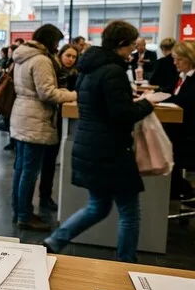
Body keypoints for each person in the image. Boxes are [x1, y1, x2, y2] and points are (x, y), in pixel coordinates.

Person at [43, 21, 154, 263]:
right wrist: (147, 104)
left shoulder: (89, 68)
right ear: (121, 44)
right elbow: (122, 114)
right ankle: (126, 263)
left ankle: (55, 241)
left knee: (98, 206)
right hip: (111, 150)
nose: (133, 52)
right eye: (132, 46)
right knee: (129, 212)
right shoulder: (113, 71)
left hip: (90, 145)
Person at [10, 25, 77, 231]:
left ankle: (19, 210)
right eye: (57, 41)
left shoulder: (23, 56)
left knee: (21, 169)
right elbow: (47, 93)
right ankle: (25, 215)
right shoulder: (41, 60)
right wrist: (74, 95)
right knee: (29, 171)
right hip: (35, 119)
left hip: (22, 114)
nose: (58, 46)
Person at [37, 43, 80, 212]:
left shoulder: (76, 75)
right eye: (68, 55)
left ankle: (45, 195)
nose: (70, 59)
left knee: (51, 160)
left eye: (74, 57)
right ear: (61, 55)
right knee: (45, 160)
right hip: (48, 118)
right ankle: (43, 196)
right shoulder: (52, 71)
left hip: (64, 119)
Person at [168, 42, 195, 202]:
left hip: (189, 136)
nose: (175, 63)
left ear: (189, 59)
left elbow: (186, 103)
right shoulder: (183, 78)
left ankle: (180, 189)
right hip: (181, 131)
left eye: (178, 59)